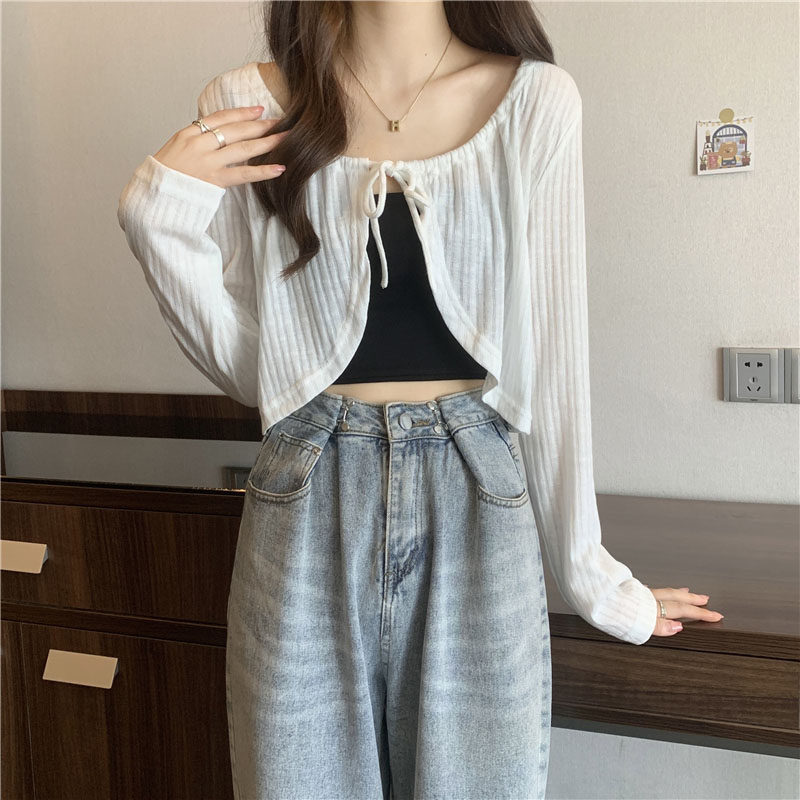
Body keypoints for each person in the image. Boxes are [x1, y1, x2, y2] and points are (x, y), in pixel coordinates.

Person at [117, 2, 723, 797]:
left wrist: (589, 576)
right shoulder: (247, 105)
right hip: (304, 489)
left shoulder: (534, 101)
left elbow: (553, 357)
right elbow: (260, 374)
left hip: (475, 493)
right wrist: (159, 221)